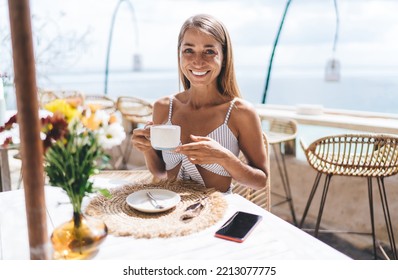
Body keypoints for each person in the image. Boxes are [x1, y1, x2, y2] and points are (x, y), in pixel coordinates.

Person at [132, 14, 268, 193]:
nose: (198, 61)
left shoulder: (239, 112)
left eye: (209, 51)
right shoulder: (163, 107)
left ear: (224, 57)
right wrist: (147, 149)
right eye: (189, 50)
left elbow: (260, 181)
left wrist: (224, 158)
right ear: (179, 54)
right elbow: (160, 171)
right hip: (169, 211)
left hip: (217, 215)